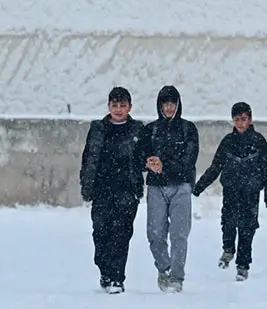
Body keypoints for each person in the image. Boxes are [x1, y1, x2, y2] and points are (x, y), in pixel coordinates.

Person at [193, 102, 267, 282]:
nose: (240, 123)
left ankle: (243, 265)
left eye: (243, 119)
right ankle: (228, 249)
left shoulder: (258, 141)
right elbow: (215, 167)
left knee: (247, 228)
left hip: (251, 192)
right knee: (228, 223)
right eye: (236, 119)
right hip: (231, 190)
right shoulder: (228, 142)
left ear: (250, 119)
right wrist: (199, 186)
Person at [79, 86, 147, 293]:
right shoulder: (98, 128)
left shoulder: (137, 129)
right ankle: (104, 270)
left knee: (121, 233)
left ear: (130, 107)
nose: (118, 109)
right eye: (114, 105)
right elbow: (89, 157)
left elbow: (143, 158)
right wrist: (87, 185)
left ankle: (117, 278)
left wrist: (149, 164)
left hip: (127, 188)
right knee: (100, 233)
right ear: (108, 107)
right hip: (102, 189)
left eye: (122, 105)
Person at [143, 85, 199, 293]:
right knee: (155, 233)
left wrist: (164, 164)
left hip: (181, 186)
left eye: (172, 103)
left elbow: (189, 159)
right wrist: (149, 163)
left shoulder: (188, 129)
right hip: (156, 187)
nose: (168, 107)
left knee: (179, 233)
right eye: (165, 103)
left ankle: (177, 276)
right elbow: (140, 155)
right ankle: (163, 267)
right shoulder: (150, 130)